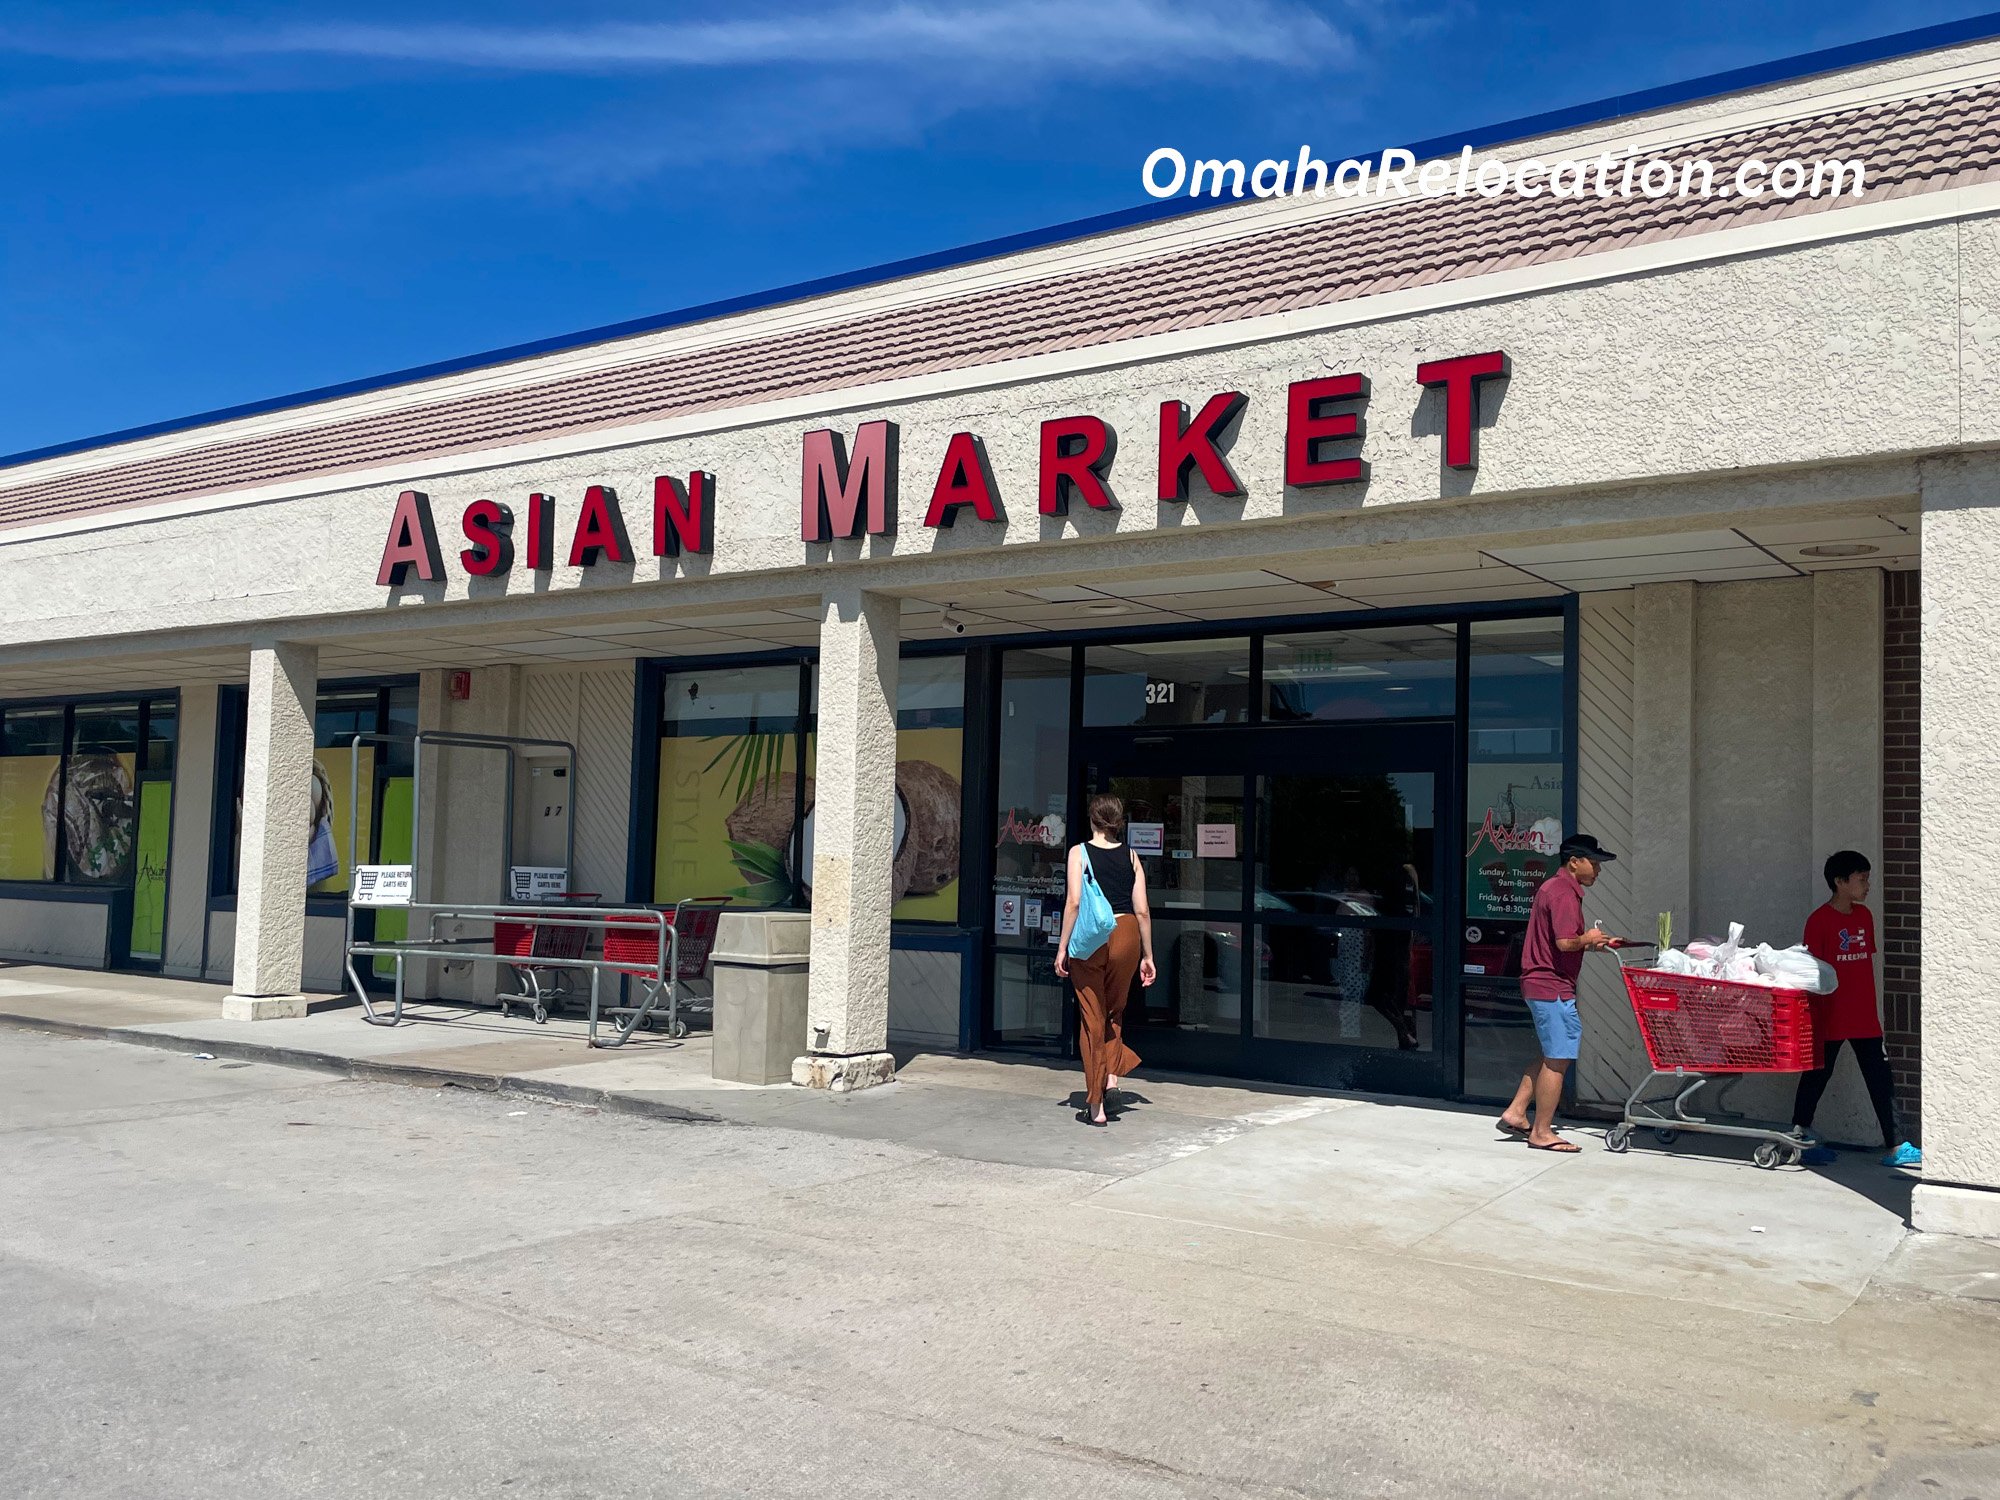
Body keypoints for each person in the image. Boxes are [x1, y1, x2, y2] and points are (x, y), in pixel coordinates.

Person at [1792, 851, 1922, 1169]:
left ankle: (1895, 1146)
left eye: (1867, 878)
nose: (1867, 885)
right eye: (1860, 878)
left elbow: (1863, 964)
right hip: (1829, 1015)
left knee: (1880, 1079)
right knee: (1816, 1077)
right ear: (1840, 882)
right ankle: (1797, 1139)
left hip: (1865, 1017)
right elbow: (1813, 972)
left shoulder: (1864, 917)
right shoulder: (1819, 921)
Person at [1498, 834, 1618, 1152]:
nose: (1598, 870)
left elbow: (1563, 942)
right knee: (1559, 1058)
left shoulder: (1553, 887)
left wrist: (1591, 941)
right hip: (1551, 986)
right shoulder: (1564, 891)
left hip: (1542, 983)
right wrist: (1586, 938)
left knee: (1552, 1053)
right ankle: (1541, 1132)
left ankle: (1516, 1112)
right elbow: (1565, 942)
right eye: (1594, 863)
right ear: (1574, 861)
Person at [1053, 793, 1157, 1126]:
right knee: (1114, 1011)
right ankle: (1111, 1075)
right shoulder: (1131, 856)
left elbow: (1073, 902)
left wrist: (1062, 947)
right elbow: (1142, 910)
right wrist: (1148, 955)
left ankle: (1095, 1104)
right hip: (1126, 933)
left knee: (1091, 1018)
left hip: (1092, 935)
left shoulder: (1078, 853)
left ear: (1092, 819)